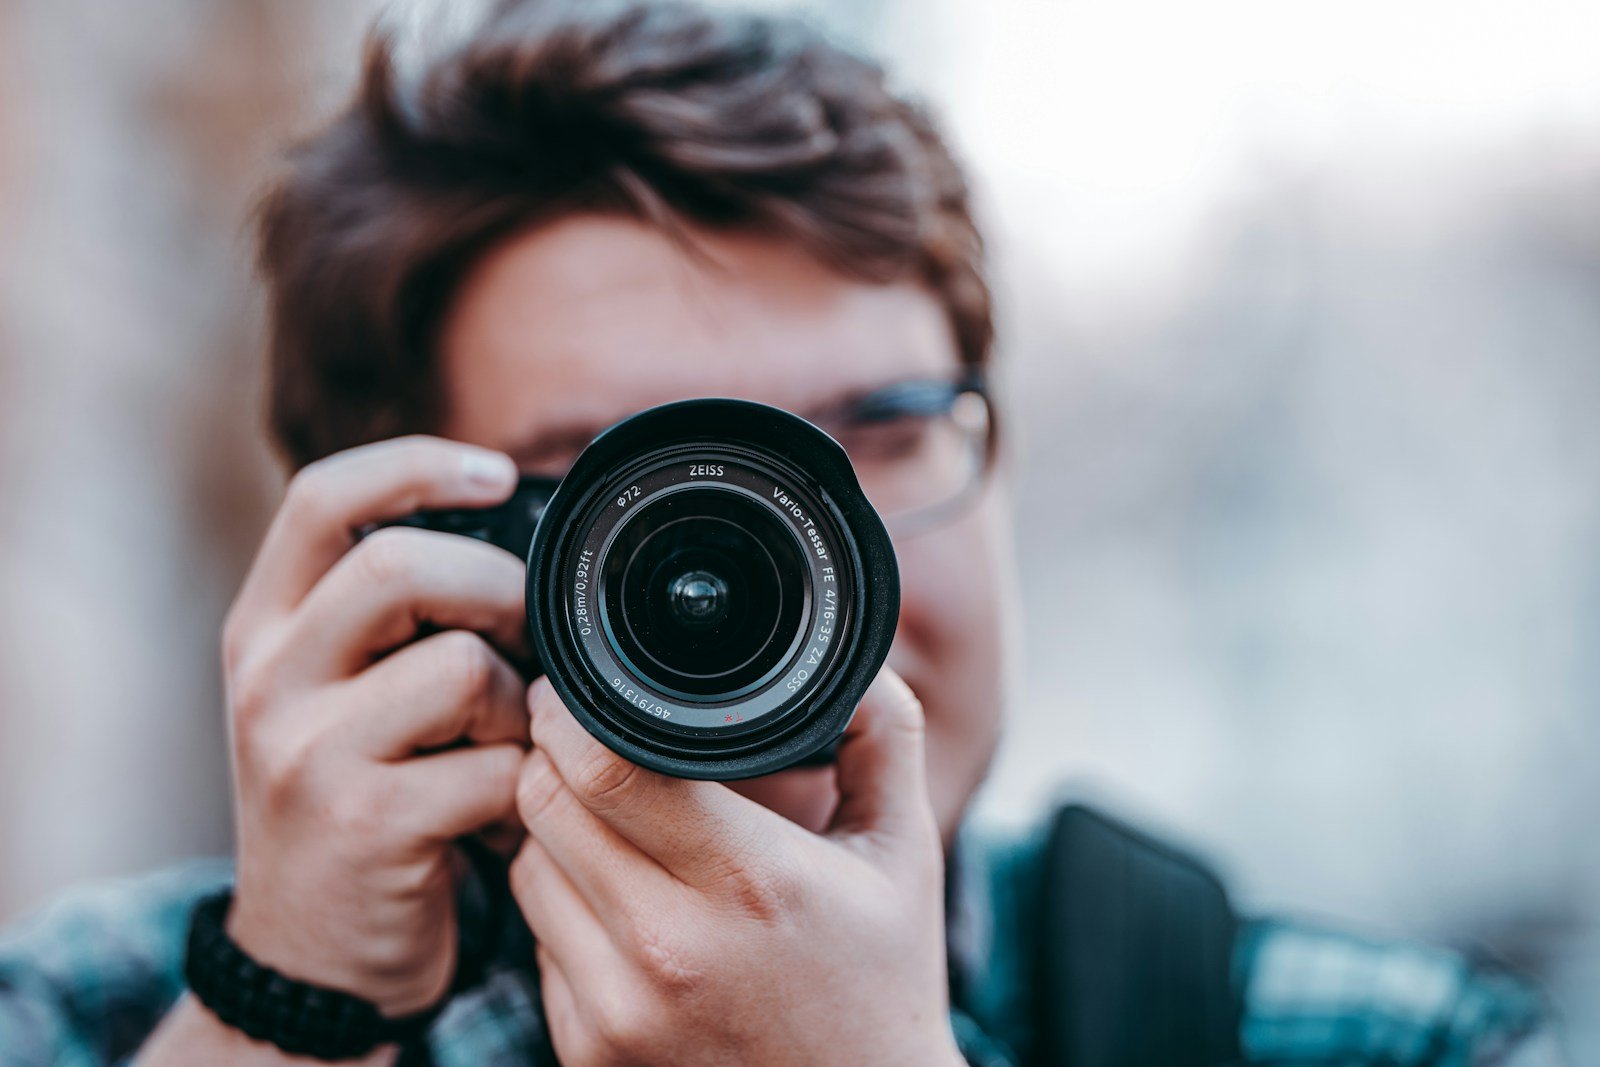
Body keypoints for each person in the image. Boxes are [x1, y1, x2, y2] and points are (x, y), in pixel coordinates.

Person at [0, 2, 1561, 1064]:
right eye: (623, 482)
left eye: (875, 434)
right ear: (386, 560)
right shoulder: (101, 1016)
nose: (798, 579)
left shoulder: (1370, 1038)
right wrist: (285, 1014)